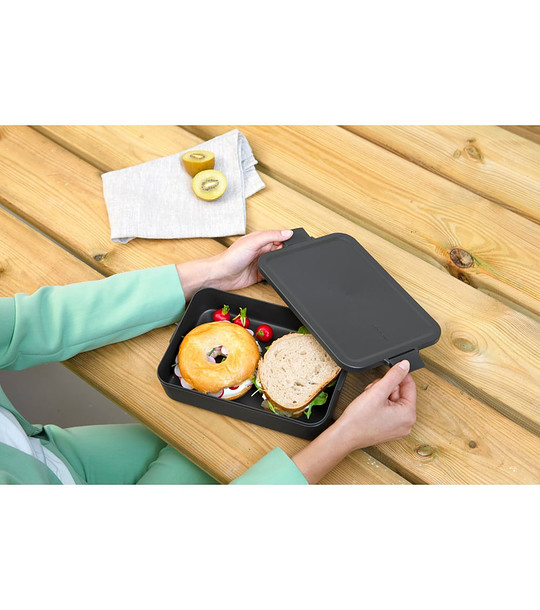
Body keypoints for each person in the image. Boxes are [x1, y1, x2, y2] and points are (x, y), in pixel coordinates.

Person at [0, 230, 416, 485]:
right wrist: (344, 437)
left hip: (46, 455)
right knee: (230, 451)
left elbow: (31, 321)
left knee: (197, 437)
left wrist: (213, 273)